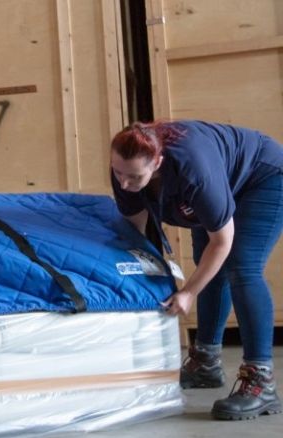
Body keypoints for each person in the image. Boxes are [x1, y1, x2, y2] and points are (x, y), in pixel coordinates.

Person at [109, 120, 283, 420]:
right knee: (207, 265)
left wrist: (188, 292)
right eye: (118, 173)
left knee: (241, 267)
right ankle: (205, 363)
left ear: (158, 162)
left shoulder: (194, 171)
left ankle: (261, 379)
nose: (124, 183)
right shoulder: (125, 169)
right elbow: (134, 234)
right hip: (220, 180)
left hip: (262, 177)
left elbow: (222, 241)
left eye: (134, 177)